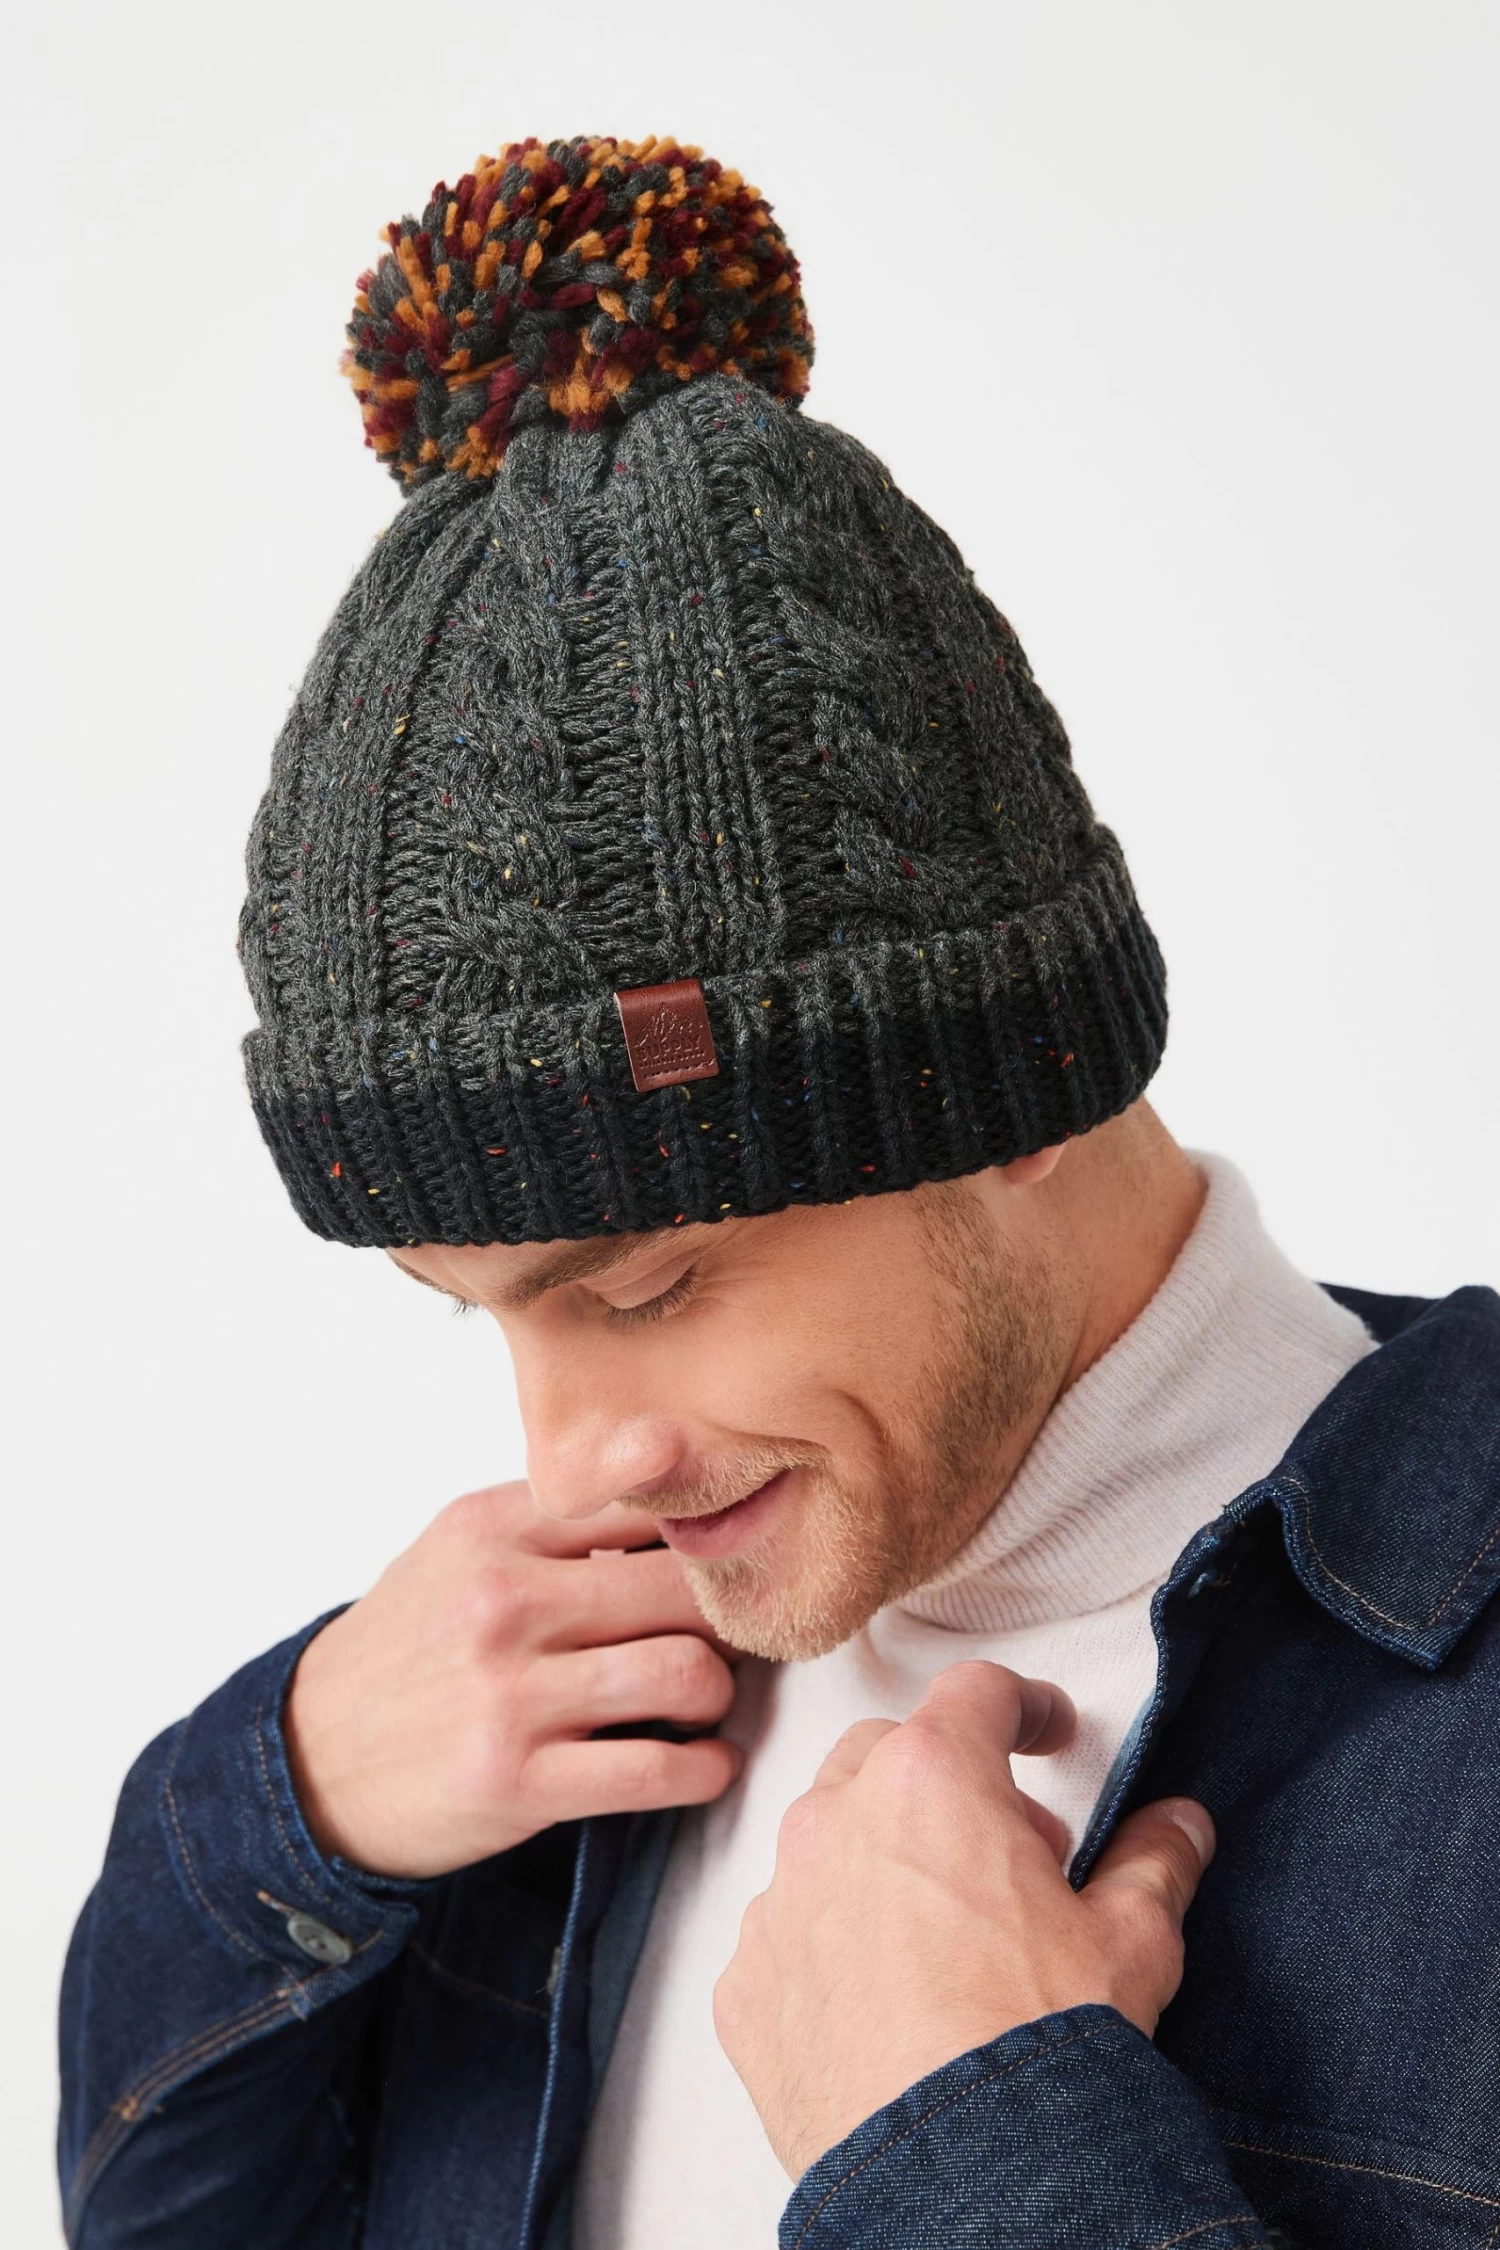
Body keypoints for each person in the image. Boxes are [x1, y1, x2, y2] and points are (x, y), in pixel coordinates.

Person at [57, 135, 1499, 2250]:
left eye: (648, 1288)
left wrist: (975, 2144)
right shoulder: (555, 1707)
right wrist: (282, 1812)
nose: (574, 1464)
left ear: (1008, 1092)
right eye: (480, 1313)